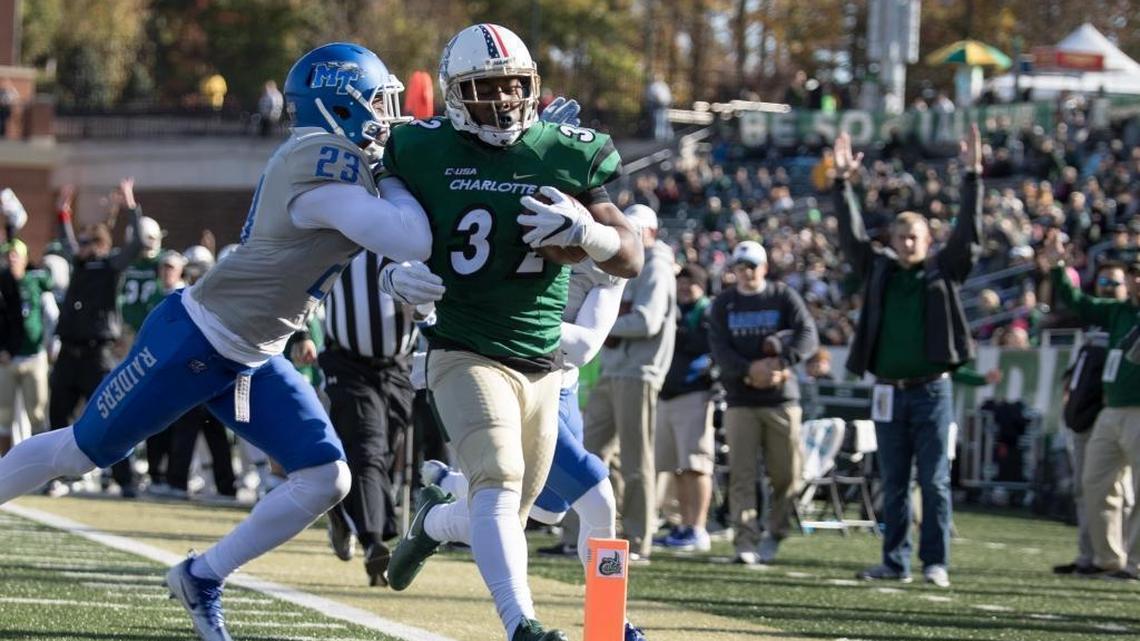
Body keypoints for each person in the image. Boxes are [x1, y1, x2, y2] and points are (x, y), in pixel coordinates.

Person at [0, 42, 435, 641]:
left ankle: (202, 576)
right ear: (342, 103)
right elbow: (407, 235)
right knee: (77, 453)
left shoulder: (337, 160)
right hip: (196, 340)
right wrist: (397, 175)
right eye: (377, 102)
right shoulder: (321, 162)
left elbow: (368, 252)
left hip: (253, 358)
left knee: (327, 477)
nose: (388, 116)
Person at [379, 23, 643, 641]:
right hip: (463, 346)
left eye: (513, 86)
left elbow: (628, 254)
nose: (502, 101)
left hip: (544, 363)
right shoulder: (420, 147)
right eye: (485, 88)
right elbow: (374, 229)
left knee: (509, 511)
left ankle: (435, 523)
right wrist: (394, 277)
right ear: (453, 94)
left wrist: (587, 234)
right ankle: (526, 626)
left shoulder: (566, 150)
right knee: (501, 482)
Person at [832, 126, 983, 588]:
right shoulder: (879, 270)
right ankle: (894, 560)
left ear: (927, 240)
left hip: (931, 390)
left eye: (914, 235)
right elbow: (852, 238)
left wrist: (973, 175)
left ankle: (934, 562)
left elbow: (968, 235)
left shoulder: (943, 271)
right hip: (888, 393)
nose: (906, 242)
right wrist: (842, 185)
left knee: (934, 482)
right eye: (900, 235)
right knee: (893, 482)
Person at [708, 241, 819, 564]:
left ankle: (776, 531)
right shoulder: (724, 303)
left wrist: (782, 363)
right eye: (740, 266)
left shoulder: (782, 296)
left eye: (752, 266)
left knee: (787, 473)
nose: (746, 272)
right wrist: (749, 370)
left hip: (781, 398)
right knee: (742, 474)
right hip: (741, 398)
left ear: (764, 268)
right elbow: (719, 347)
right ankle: (745, 539)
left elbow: (808, 335)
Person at [320, 250, 424, 587]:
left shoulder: (412, 230)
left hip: (398, 365)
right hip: (348, 362)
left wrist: (424, 309)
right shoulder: (342, 228)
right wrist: (304, 336)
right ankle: (374, 541)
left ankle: (342, 510)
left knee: (383, 454)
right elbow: (303, 280)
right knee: (368, 447)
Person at [578, 204, 675, 562]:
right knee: (588, 452)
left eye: (635, 229)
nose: (627, 235)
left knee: (637, 460)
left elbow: (647, 321)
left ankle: (637, 539)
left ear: (649, 233)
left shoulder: (656, 266)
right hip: (614, 367)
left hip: (639, 371)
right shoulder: (623, 261)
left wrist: (598, 326)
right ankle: (583, 534)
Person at [1044, 235, 1140, 580]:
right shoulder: (1118, 311)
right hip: (1110, 411)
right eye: (1133, 273)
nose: (1137, 279)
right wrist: (1057, 267)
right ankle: (1108, 558)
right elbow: (1076, 300)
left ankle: (1136, 564)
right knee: (1094, 484)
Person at [51, 179, 144, 497]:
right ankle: (56, 476)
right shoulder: (78, 266)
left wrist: (131, 206)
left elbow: (136, 245)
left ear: (102, 245)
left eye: (91, 241)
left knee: (110, 417)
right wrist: (63, 210)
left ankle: (125, 479)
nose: (84, 246)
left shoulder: (109, 266)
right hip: (69, 352)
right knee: (58, 416)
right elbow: (66, 241)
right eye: (84, 240)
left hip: (96, 354)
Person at [653, 263, 716, 552]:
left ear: (701, 286)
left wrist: (676, 330)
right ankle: (682, 525)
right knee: (676, 467)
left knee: (696, 466)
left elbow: (705, 343)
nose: (683, 290)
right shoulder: (675, 308)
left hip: (694, 394)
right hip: (667, 394)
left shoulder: (706, 311)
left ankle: (698, 527)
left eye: (689, 285)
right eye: (680, 285)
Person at [0, 239, 56, 454]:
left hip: (33, 355)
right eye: (8, 256)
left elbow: (52, 303)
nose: (12, 259)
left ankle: (40, 465)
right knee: (3, 415)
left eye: (16, 255)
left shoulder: (34, 281)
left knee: (38, 413)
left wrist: (51, 342)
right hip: (6, 358)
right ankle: (4, 466)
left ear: (25, 259)